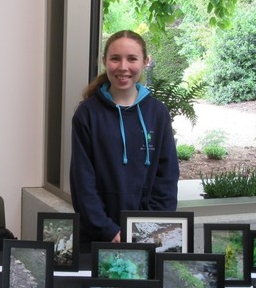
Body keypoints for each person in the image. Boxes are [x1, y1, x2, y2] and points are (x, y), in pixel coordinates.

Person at [70, 30, 179, 246]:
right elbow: (82, 182)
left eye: (132, 59)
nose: (123, 67)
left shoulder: (158, 113)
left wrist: (147, 228)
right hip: (98, 238)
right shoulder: (87, 114)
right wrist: (108, 230)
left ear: (146, 61)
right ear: (104, 61)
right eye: (115, 58)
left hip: (148, 237)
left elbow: (166, 178)